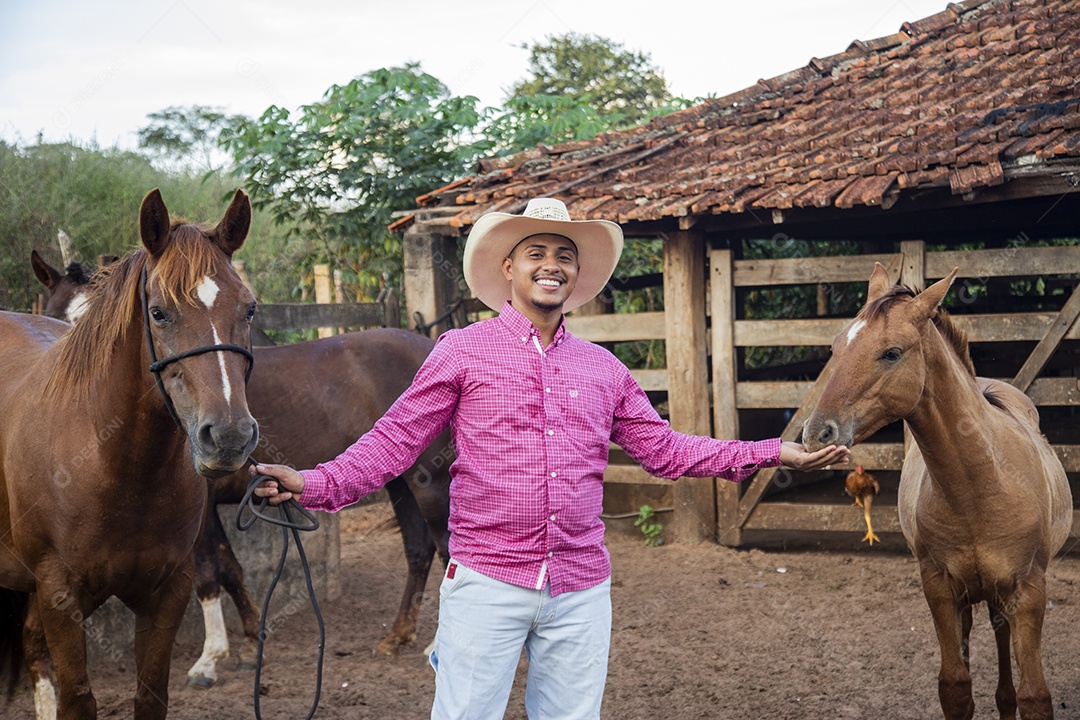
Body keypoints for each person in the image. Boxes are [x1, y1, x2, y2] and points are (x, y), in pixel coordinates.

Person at [252, 198, 849, 720]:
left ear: (576, 272)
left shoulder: (603, 369)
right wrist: (313, 481)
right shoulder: (461, 352)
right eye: (535, 251)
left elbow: (664, 450)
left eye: (563, 255)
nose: (550, 265)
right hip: (486, 579)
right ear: (509, 267)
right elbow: (395, 442)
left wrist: (774, 450)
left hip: (579, 589)